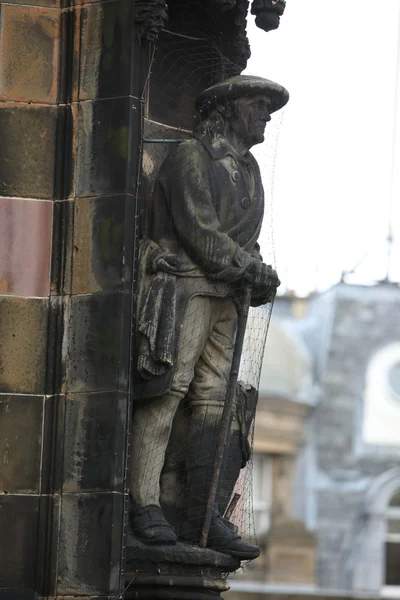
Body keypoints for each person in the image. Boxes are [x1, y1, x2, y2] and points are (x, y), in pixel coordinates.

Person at [131, 75, 289, 559]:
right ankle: (145, 503)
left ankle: (202, 514)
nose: (266, 116)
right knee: (168, 390)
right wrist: (249, 267)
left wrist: (257, 269)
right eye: (259, 106)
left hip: (228, 296)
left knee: (216, 402)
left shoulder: (251, 168)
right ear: (229, 109)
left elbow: (246, 236)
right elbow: (199, 230)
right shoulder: (191, 157)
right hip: (188, 288)